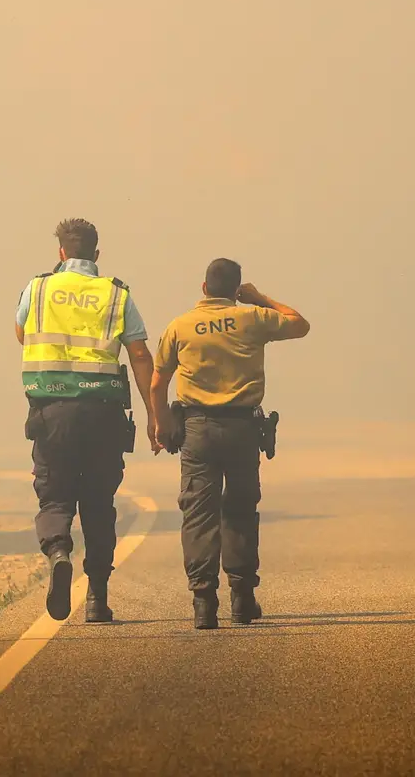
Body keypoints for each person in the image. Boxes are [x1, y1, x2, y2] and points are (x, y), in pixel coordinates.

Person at [15, 218, 160, 623]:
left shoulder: (38, 288)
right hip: (103, 414)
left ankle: (59, 552)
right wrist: (154, 417)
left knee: (55, 496)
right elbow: (141, 356)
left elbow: (21, 333)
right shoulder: (115, 294)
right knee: (98, 503)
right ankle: (96, 598)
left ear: (60, 253)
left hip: (52, 412)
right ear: (97, 255)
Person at [152, 258, 310, 629]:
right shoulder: (252, 318)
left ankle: (204, 602)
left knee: (198, 513)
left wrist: (161, 426)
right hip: (241, 430)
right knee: (239, 509)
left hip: (197, 431)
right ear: (236, 290)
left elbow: (158, 384)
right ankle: (242, 598)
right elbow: (300, 324)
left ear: (204, 288)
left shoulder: (180, 326)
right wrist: (258, 298)